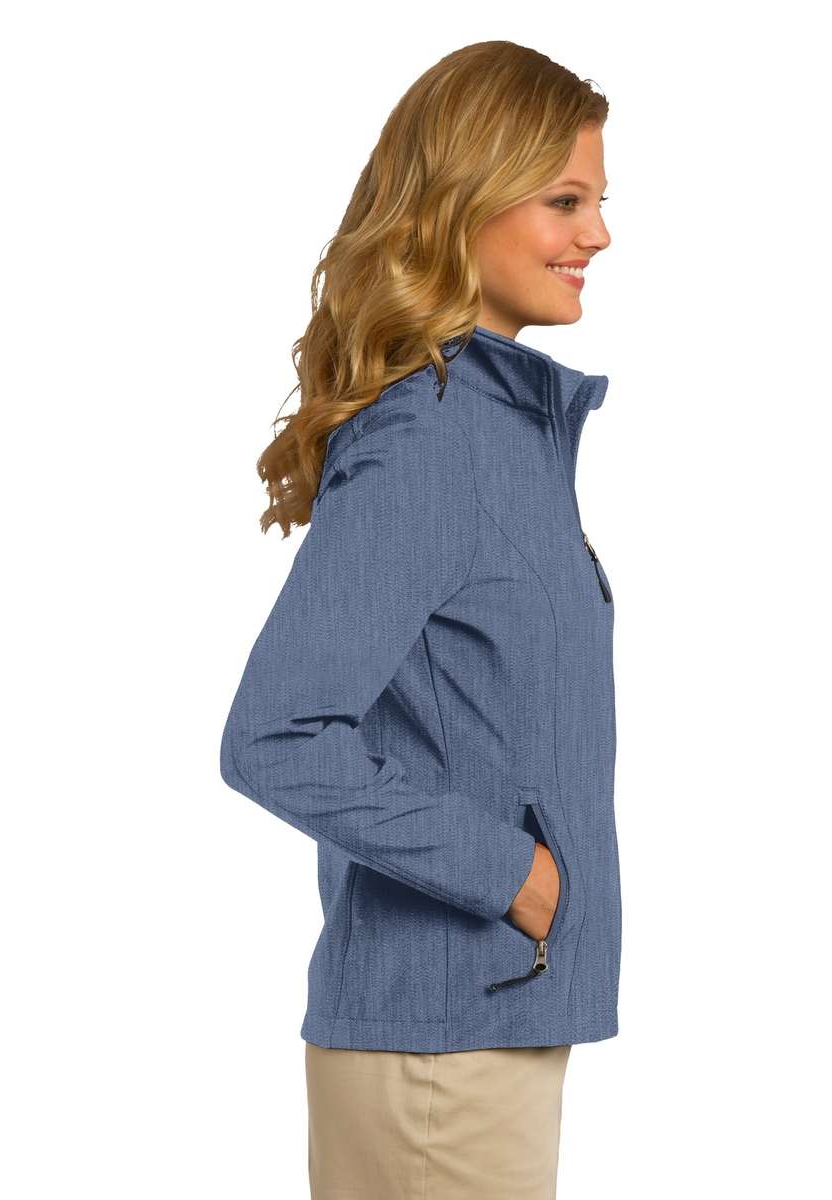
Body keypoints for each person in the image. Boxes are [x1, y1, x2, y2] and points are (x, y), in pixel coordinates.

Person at [219, 39, 617, 1200]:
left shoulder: (499, 433)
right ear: (464, 202)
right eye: (565, 201)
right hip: (442, 1051)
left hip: (485, 1023)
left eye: (600, 201)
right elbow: (276, 737)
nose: (599, 235)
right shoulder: (432, 441)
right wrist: (518, 877)